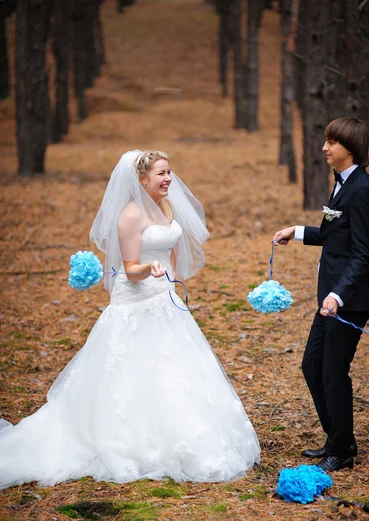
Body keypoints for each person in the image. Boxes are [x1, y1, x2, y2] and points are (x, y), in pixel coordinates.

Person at [0, 150, 260, 489]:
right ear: (142, 180)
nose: (168, 179)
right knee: (131, 370)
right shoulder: (130, 216)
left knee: (174, 368)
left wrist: (168, 267)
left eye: (169, 172)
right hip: (135, 302)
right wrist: (149, 269)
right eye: (161, 175)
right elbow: (129, 269)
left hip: (163, 301)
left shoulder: (166, 207)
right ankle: (126, 440)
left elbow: (170, 243)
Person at [274, 117, 369, 472]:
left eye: (331, 142)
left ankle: (343, 449)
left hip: (349, 299)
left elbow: (362, 254)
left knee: (334, 369)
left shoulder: (364, 190)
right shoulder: (342, 185)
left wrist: (337, 295)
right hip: (332, 299)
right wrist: (298, 231)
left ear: (349, 147)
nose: (324, 148)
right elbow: (334, 236)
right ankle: (338, 438)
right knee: (313, 364)